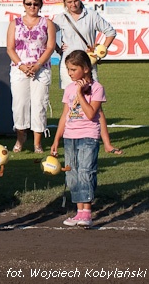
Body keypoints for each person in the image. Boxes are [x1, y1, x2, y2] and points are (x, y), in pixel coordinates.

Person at [53, 0, 121, 155]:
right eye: (69, 2)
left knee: (97, 106)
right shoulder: (60, 18)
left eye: (75, 0)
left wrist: (100, 50)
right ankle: (71, 137)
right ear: (64, 3)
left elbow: (110, 32)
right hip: (68, 67)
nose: (73, 4)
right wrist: (57, 48)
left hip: (87, 65)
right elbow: (48, 34)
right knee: (70, 104)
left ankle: (107, 144)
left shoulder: (91, 15)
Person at [51, 50, 106, 228]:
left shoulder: (97, 88)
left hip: (88, 136)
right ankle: (79, 211)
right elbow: (64, 115)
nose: (70, 73)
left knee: (85, 172)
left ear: (86, 69)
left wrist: (80, 94)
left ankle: (87, 212)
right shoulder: (69, 88)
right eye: (68, 69)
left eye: (73, 69)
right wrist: (56, 139)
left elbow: (91, 114)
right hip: (70, 137)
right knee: (72, 174)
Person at [6, 0, 55, 154]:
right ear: (24, 5)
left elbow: (50, 47)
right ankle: (20, 138)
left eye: (35, 4)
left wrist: (38, 64)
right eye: (29, 4)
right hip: (19, 69)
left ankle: (37, 143)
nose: (32, 7)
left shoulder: (47, 23)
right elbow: (10, 48)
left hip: (41, 69)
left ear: (40, 5)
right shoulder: (15, 23)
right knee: (19, 105)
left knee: (39, 105)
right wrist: (21, 65)